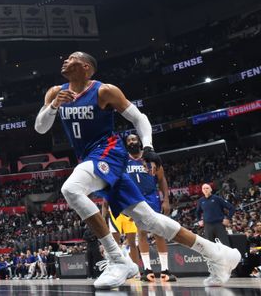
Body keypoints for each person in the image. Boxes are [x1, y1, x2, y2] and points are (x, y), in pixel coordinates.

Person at [34, 52, 240, 288]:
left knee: (71, 188)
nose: (64, 60)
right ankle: (217, 254)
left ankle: (117, 259)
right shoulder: (55, 92)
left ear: (86, 67)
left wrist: (149, 147)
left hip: (108, 152)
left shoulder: (104, 91)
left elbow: (139, 118)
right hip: (90, 160)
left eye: (71, 58)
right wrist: (54, 105)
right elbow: (41, 128)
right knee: (151, 221)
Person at [124, 133, 177, 282]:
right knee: (141, 232)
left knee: (158, 231)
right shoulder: (123, 161)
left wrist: (166, 199)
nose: (131, 142)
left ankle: (165, 270)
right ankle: (147, 270)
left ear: (140, 142)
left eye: (134, 139)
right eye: (128, 140)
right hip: (135, 199)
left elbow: (162, 180)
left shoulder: (150, 158)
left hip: (151, 197)